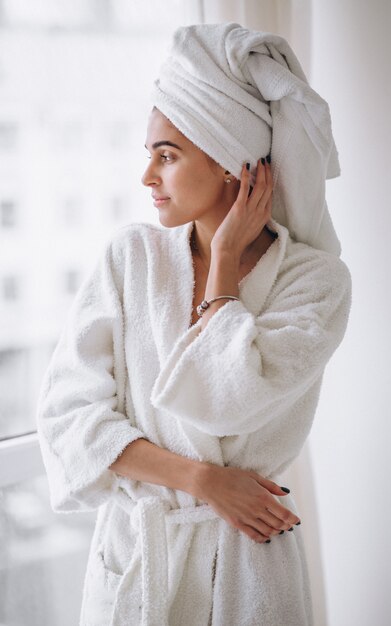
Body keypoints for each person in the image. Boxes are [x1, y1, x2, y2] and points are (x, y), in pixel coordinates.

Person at [36, 22, 352, 626]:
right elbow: (67, 416)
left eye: (167, 155)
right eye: (148, 154)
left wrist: (225, 263)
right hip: (138, 555)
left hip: (245, 561)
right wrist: (202, 479)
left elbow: (224, 403)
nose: (147, 177)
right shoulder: (130, 258)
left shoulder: (316, 283)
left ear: (233, 163)